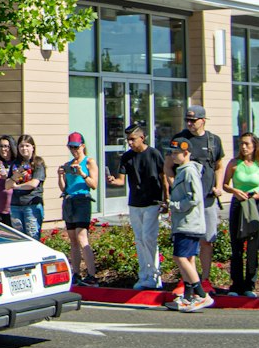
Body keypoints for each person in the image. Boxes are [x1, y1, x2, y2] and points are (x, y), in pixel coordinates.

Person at [106, 123, 165, 290]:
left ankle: (154, 276)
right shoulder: (127, 157)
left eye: (132, 139)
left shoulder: (154, 154)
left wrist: (165, 200)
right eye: (128, 140)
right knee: (139, 240)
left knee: (149, 238)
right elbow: (120, 180)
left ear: (142, 137)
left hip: (152, 202)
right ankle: (144, 275)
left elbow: (164, 178)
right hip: (135, 203)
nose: (130, 143)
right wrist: (112, 181)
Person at [173, 104, 224, 289]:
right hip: (188, 203)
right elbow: (168, 167)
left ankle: (205, 279)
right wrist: (173, 188)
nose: (189, 123)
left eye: (193, 120)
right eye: (187, 120)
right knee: (188, 240)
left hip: (208, 199)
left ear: (203, 120)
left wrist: (218, 186)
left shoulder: (213, 140)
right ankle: (188, 280)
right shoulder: (180, 139)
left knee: (206, 240)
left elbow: (218, 166)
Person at [164, 137, 213, 310]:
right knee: (189, 259)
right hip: (184, 223)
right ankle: (187, 295)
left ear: (187, 153)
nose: (173, 156)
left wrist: (174, 205)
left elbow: (194, 198)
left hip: (189, 223)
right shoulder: (182, 170)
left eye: (176, 153)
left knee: (180, 257)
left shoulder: (189, 171)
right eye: (171, 152)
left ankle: (201, 294)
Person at [221, 131, 259, 296]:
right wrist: (234, 190)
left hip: (255, 205)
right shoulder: (234, 163)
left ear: (254, 146)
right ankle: (236, 285)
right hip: (238, 204)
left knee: (253, 246)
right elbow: (224, 184)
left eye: (247, 144)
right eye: (241, 144)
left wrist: (258, 195)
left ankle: (249, 285)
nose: (244, 147)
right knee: (236, 246)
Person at [57, 132, 99, 283]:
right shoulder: (68, 164)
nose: (73, 150)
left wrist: (82, 173)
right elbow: (64, 188)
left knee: (82, 237)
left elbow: (94, 184)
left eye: (76, 147)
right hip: (69, 200)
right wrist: (61, 175)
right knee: (73, 239)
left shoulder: (89, 162)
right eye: (71, 147)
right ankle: (76, 273)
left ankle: (92, 275)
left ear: (82, 146)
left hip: (82, 200)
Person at [9, 134, 46, 238]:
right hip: (15, 205)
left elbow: (33, 183)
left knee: (33, 236)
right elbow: (7, 185)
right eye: (21, 146)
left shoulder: (38, 162)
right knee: (18, 238)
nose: (24, 148)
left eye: (27, 145)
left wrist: (16, 186)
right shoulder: (15, 164)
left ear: (33, 147)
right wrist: (15, 176)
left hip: (32, 205)